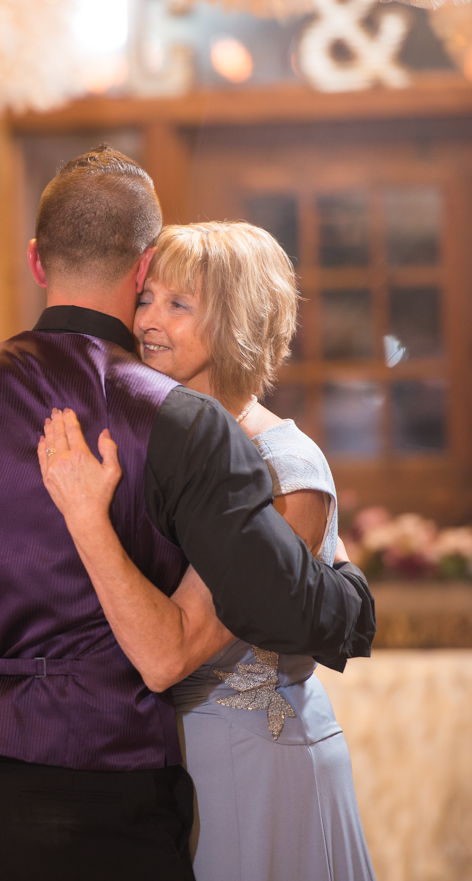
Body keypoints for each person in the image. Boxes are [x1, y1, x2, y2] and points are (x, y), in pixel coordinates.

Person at [0, 146, 375, 881]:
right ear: (142, 269)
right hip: (97, 782)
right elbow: (289, 608)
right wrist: (354, 593)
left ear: (37, 261)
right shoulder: (181, 420)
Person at [38, 221, 375, 881]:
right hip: (158, 761)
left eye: (178, 304)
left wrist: (86, 517)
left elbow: (174, 651)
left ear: (237, 322)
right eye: (146, 298)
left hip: (248, 762)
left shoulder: (283, 467)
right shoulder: (155, 440)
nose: (147, 322)